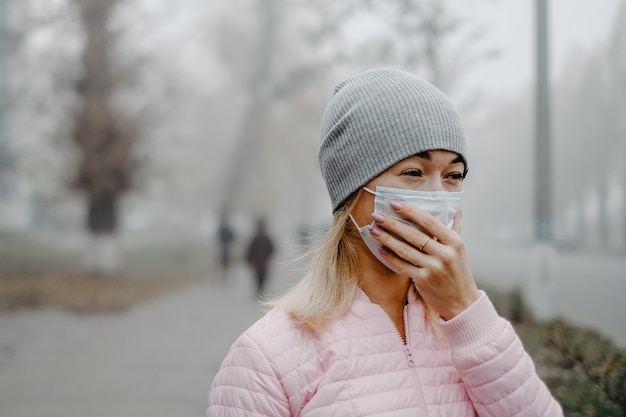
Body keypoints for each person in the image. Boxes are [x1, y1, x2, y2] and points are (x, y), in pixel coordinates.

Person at [207, 68, 563, 416]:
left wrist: (468, 312)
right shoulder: (266, 359)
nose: (438, 197)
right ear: (352, 190)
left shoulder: (466, 329)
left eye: (453, 175)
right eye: (413, 172)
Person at [245, 217, 275, 299]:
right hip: (259, 263)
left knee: (262, 277)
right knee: (259, 277)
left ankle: (260, 290)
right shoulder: (258, 238)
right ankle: (260, 290)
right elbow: (250, 250)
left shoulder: (265, 238)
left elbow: (272, 249)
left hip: (262, 262)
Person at [216, 210, 235, 281]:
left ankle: (226, 274)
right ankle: (223, 275)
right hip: (222, 247)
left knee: (227, 262)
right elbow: (218, 237)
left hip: (228, 247)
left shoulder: (228, 229)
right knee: (222, 262)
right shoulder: (221, 229)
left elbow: (232, 237)